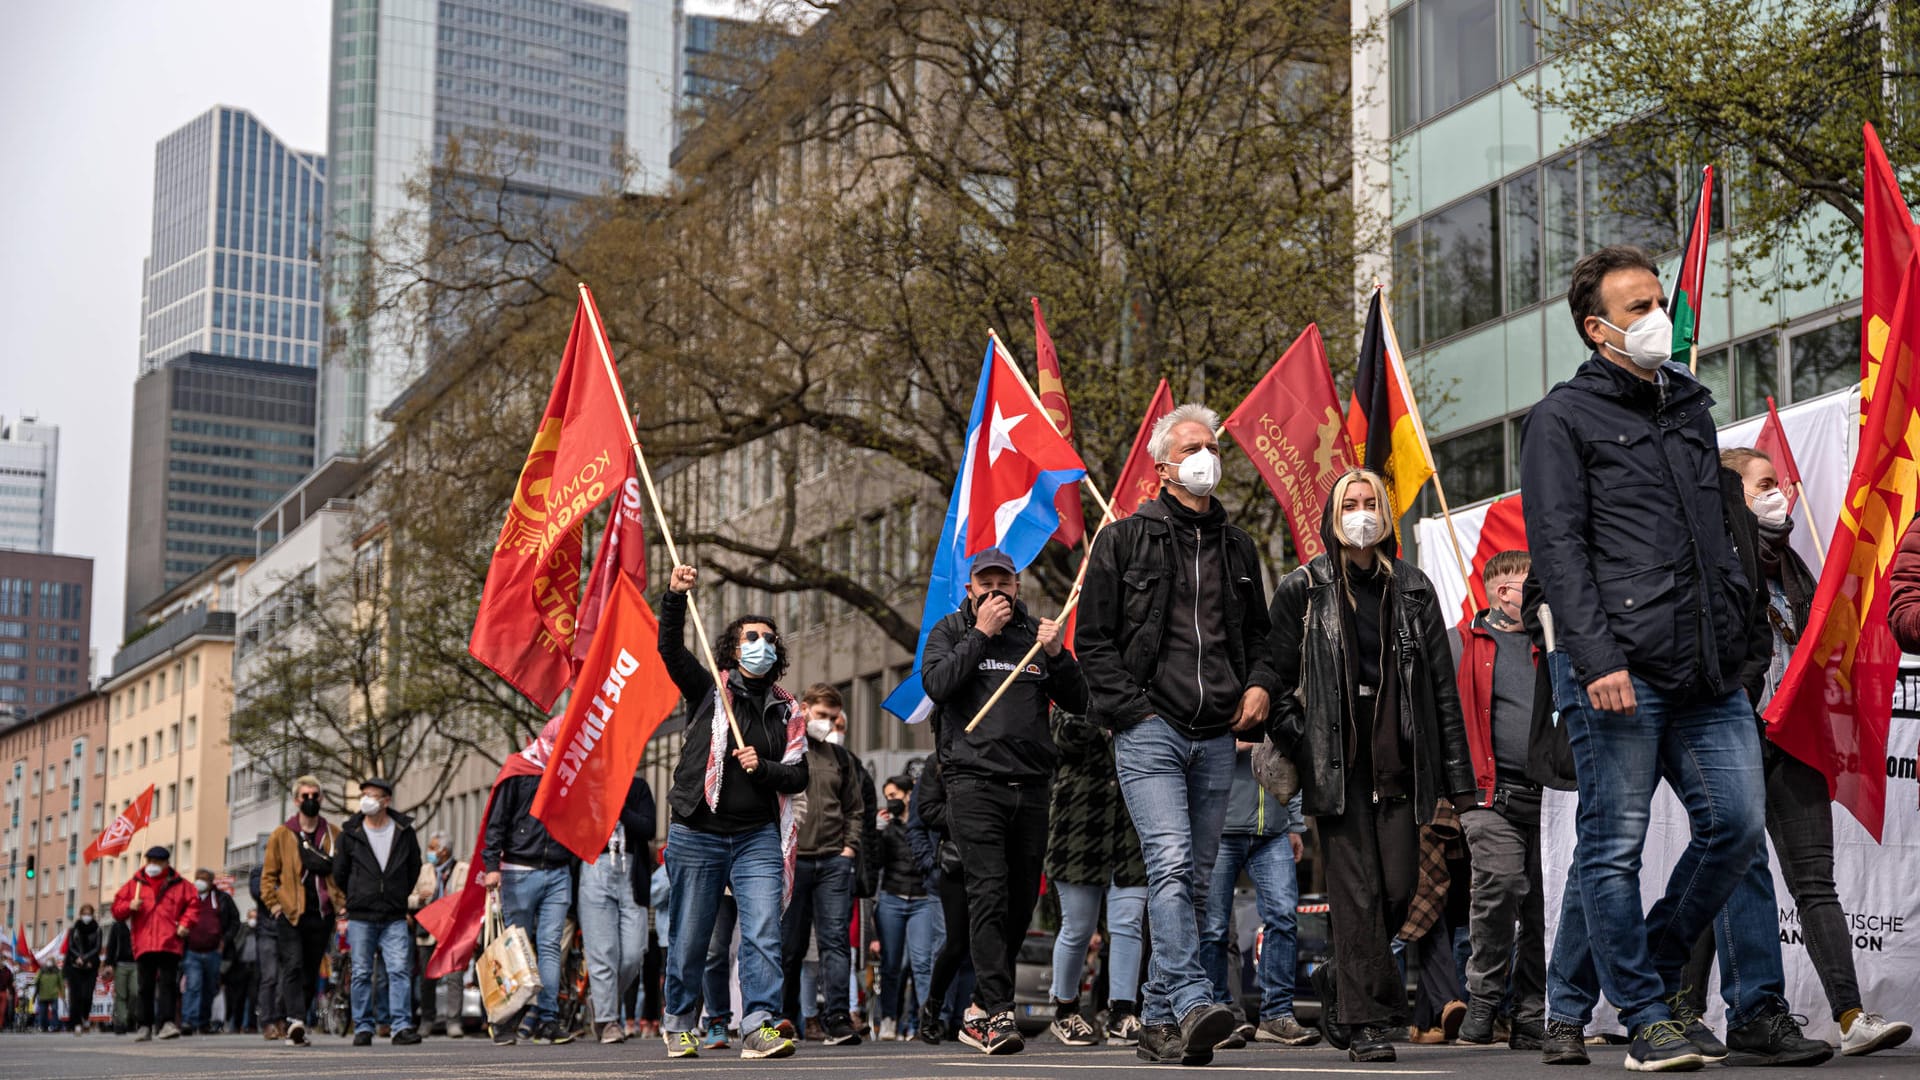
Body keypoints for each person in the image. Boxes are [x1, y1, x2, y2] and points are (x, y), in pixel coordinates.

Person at [1520, 243, 1769, 1072]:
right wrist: (1595, 659)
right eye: (1639, 308)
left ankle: (1649, 981)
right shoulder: (1561, 418)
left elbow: (1721, 542)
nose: (1660, 317)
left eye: (1659, 300)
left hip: (1707, 666)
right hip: (1617, 663)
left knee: (1734, 829)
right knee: (1613, 846)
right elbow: (1556, 547)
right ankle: (1640, 1013)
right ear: (1597, 329)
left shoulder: (1691, 406)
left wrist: (1737, 640)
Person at [1673, 449, 1911, 1058]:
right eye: (1765, 485)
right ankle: (1681, 1010)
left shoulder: (1798, 571)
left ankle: (1851, 1015)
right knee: (1722, 871)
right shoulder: (1713, 567)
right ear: (1731, 497)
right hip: (1736, 738)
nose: (1780, 494)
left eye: (1777, 483)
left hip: (1794, 742)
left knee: (1816, 883)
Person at [1077, 404, 1277, 1066]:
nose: (1208, 456)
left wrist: (1258, 688)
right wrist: (1131, 711)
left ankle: (1161, 1024)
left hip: (1216, 734)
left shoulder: (1240, 546)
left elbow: (1260, 642)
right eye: (1194, 446)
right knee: (1169, 862)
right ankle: (1194, 997)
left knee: (1193, 881)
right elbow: (1094, 642)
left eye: (1214, 446)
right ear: (1162, 466)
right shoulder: (1124, 539)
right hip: (1150, 730)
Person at [1266, 468, 1476, 1063]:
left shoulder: (1414, 589)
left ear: (1385, 513)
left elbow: (1441, 692)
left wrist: (1458, 784)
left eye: (1371, 502)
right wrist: (1305, 743)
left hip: (1402, 766)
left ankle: (1340, 976)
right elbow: (1276, 680)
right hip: (1337, 768)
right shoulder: (1303, 588)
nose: (1361, 512)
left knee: (1404, 890)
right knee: (1355, 896)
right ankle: (1367, 1023)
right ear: (1334, 515)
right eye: (1350, 503)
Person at [921, 545, 1088, 1056]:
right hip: (974, 786)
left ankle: (976, 1005)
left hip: (1032, 787)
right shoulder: (950, 632)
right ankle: (995, 1012)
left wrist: (1058, 657)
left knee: (1019, 906)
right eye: (985, 583)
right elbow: (938, 684)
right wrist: (981, 635)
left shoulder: (1036, 635)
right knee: (988, 896)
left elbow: (1079, 702)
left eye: (1005, 583)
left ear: (1018, 586)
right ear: (970, 589)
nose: (996, 591)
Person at [657, 565, 809, 1061]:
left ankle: (760, 1023)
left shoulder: (788, 711)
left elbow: (799, 776)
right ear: (734, 648)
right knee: (691, 937)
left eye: (768, 638)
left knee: (765, 929)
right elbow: (671, 651)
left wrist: (762, 768)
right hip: (697, 832)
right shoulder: (708, 691)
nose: (760, 644)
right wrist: (676, 598)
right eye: (751, 637)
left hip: (756, 837)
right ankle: (679, 1021)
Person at [1447, 550, 1548, 1050]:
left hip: (1550, 798)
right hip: (1488, 796)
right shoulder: (1462, 642)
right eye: (1515, 584)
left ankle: (1531, 1012)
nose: (1523, 593)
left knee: (1542, 909)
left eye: (1531, 583)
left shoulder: (1551, 642)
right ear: (1496, 590)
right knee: (1500, 886)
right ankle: (1483, 1000)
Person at [1043, 707, 1149, 1048]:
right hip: (1079, 828)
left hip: (1129, 830)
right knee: (1077, 928)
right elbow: (1066, 736)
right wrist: (1110, 714)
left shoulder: (1142, 692)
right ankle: (1065, 1009)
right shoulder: (1072, 694)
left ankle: (1121, 1013)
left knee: (1128, 924)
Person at [1203, 743, 1316, 1047]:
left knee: (1284, 917)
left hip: (1274, 831)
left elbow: (1290, 762)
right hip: (1220, 827)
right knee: (1213, 927)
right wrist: (1232, 742)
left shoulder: (1277, 697)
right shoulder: (1223, 695)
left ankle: (1277, 1015)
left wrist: (1294, 825)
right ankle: (1219, 1014)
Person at [776, 683, 867, 1044]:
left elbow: (855, 809)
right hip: (795, 860)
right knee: (790, 944)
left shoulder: (840, 758)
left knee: (835, 942)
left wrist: (849, 849)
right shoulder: (786, 750)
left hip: (832, 860)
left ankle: (838, 1017)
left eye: (832, 717)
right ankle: (783, 1016)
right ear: (804, 709)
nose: (826, 722)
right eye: (820, 715)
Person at [334, 777, 423, 1046]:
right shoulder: (351, 833)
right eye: (364, 795)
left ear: (386, 801)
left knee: (399, 971)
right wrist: (355, 895)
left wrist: (397, 894)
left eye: (373, 795)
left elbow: (413, 868)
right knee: (361, 972)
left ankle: (401, 1026)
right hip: (361, 915)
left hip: (393, 914)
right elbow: (340, 872)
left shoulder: (403, 831)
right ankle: (363, 1027)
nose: (366, 800)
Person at [261, 775, 346, 1047]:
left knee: (311, 971)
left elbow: (343, 873)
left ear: (321, 798)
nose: (310, 800)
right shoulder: (282, 834)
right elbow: (268, 876)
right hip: (291, 913)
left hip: (322, 914)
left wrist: (342, 906)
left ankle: (297, 1022)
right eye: (305, 796)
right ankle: (295, 1021)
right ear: (297, 800)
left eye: (315, 796)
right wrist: (275, 906)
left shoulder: (334, 833)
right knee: (294, 965)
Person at [579, 771, 657, 1044]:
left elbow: (649, 828)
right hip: (595, 871)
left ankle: (600, 1002)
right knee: (604, 952)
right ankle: (608, 1021)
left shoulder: (638, 788)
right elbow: (575, 832)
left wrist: (619, 808)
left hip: (630, 875)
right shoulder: (587, 789)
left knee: (633, 955)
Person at [110, 844, 202, 1041]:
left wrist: (185, 923)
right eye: (149, 861)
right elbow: (116, 909)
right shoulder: (135, 884)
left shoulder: (180, 884)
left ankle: (167, 1024)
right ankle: (144, 1025)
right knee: (145, 986)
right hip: (144, 941)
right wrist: (129, 906)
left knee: (168, 984)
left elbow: (193, 904)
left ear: (166, 863)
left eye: (157, 862)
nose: (152, 865)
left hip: (170, 940)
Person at [872, 773, 938, 1044]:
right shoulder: (886, 827)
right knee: (891, 965)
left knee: (922, 963)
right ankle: (888, 1019)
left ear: (910, 795)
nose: (891, 801)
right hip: (891, 898)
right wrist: (877, 832)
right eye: (887, 797)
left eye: (895, 796)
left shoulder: (923, 822)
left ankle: (925, 1020)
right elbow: (875, 862)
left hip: (922, 899)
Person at [180, 868, 237, 1034]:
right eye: (197, 878)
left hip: (214, 951)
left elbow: (235, 922)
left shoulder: (222, 899)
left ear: (211, 882)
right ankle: (188, 1022)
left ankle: (204, 1022)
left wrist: (224, 940)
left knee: (209, 988)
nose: (199, 881)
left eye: (203, 879)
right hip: (192, 951)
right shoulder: (188, 898)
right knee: (193, 985)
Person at [64, 904, 102, 1034]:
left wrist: (85, 959)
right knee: (76, 996)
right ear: (80, 914)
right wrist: (77, 958)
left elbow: (97, 948)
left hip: (90, 966)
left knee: (87, 995)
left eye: (89, 913)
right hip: (75, 966)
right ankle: (77, 1023)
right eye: (84, 913)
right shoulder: (74, 929)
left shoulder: (97, 929)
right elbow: (70, 946)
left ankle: (85, 1016)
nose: (87, 916)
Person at [227, 907, 258, 1034]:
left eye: (256, 917)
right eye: (251, 917)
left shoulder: (260, 932)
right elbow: (236, 945)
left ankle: (251, 1025)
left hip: (255, 968)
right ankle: (236, 1024)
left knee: (253, 998)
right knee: (238, 998)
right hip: (240, 967)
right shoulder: (242, 930)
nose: (253, 920)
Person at [106, 913, 137, 1034]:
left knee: (135, 992)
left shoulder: (139, 922)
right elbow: (111, 945)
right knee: (121, 995)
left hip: (136, 963)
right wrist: (109, 963)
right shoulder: (117, 926)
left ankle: (131, 1018)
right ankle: (121, 1022)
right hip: (120, 964)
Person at [35, 961, 64, 1031]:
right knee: (43, 1012)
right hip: (43, 995)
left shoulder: (57, 971)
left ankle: (54, 1026)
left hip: (53, 995)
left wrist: (63, 994)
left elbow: (61, 983)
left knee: (54, 1011)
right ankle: (43, 1026)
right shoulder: (41, 971)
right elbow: (36, 981)